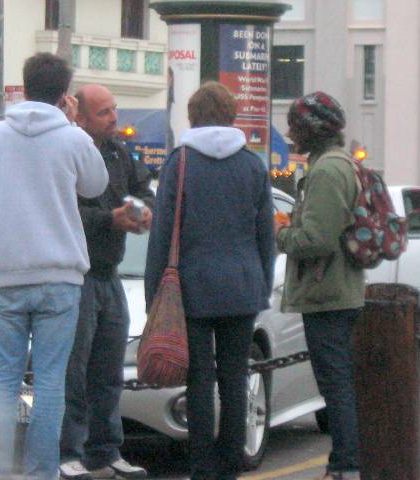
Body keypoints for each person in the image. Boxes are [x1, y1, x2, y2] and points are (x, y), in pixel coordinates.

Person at [0, 52, 109, 480]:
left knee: (4, 382)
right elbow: (96, 185)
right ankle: (41, 472)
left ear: (23, 86)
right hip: (59, 278)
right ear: (65, 94)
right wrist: (77, 126)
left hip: (6, 275)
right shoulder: (72, 138)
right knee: (49, 383)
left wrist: (4, 212)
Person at [145, 81, 275, 480]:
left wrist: (154, 295)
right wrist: (262, 284)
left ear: (193, 115)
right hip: (242, 285)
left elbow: (163, 233)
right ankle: (230, 464)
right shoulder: (253, 165)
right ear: (232, 115)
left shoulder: (180, 162)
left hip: (192, 288)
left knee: (199, 380)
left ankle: (201, 465)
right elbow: (265, 235)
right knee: (235, 380)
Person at [59, 83, 154, 480]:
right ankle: (69, 452)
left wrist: (143, 210)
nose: (114, 118)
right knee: (74, 370)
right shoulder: (68, 152)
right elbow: (65, 209)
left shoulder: (118, 152)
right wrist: (109, 219)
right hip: (77, 275)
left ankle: (106, 450)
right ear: (80, 117)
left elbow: (141, 189)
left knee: (108, 369)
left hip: (110, 274)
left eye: (115, 110)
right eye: (104, 112)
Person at [275, 91, 365, 480]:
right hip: (333, 290)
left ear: (313, 129)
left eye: (295, 126)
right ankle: (346, 462)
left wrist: (280, 233)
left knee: (336, 385)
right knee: (336, 382)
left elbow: (317, 240)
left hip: (327, 293)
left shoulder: (327, 171)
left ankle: (345, 465)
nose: (290, 133)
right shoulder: (332, 165)